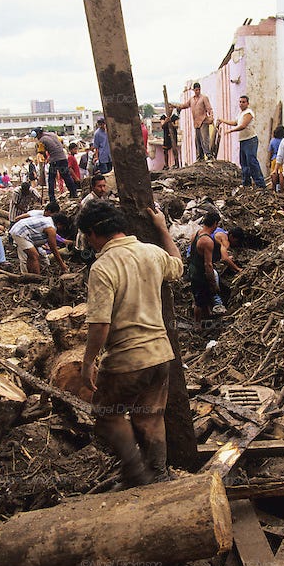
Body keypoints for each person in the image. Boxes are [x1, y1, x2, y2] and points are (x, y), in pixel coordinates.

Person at [77, 200, 184, 486]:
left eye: (88, 236)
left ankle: (135, 472)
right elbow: (178, 266)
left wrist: (88, 362)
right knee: (150, 417)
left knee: (106, 415)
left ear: (93, 233)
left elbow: (100, 324)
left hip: (127, 359)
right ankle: (158, 474)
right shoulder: (152, 253)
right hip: (160, 355)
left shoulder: (103, 267)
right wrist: (163, 229)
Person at [218, 95, 266, 188]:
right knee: (244, 162)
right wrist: (223, 120)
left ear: (247, 103)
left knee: (252, 162)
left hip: (250, 140)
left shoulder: (248, 113)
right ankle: (246, 184)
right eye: (240, 102)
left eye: (243, 102)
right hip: (243, 140)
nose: (241, 104)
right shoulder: (241, 113)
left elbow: (243, 125)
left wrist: (230, 131)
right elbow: (235, 122)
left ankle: (260, 184)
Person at [9, 207, 72, 275]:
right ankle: (37, 277)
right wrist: (62, 265)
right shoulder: (51, 228)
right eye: (62, 227)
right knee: (34, 255)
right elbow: (53, 248)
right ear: (59, 224)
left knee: (32, 256)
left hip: (23, 232)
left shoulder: (48, 219)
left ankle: (30, 274)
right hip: (20, 232)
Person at [189, 212, 225, 322]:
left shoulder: (196, 234)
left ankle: (206, 316)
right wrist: (212, 282)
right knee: (199, 301)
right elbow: (208, 264)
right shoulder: (207, 241)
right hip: (200, 274)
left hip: (193, 270)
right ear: (215, 223)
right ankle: (197, 324)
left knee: (202, 296)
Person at [32, 127, 78, 199]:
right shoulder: (53, 134)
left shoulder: (41, 140)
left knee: (51, 179)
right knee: (66, 176)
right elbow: (61, 141)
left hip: (55, 160)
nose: (37, 138)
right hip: (63, 158)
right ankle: (74, 193)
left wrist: (45, 157)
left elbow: (41, 152)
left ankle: (52, 198)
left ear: (38, 134)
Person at [176, 82, 214, 161]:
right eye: (196, 90)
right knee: (197, 140)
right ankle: (200, 156)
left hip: (203, 120)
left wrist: (211, 116)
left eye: (198, 90)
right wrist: (177, 106)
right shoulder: (191, 99)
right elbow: (185, 105)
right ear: (193, 90)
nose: (197, 91)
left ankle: (208, 154)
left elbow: (209, 109)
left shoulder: (204, 98)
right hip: (196, 122)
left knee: (205, 138)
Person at [269, 125, 284, 193]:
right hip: (283, 159)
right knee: (281, 174)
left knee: (274, 173)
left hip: (274, 158)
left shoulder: (273, 141)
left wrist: (269, 160)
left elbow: (270, 151)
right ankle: (281, 189)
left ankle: (274, 188)